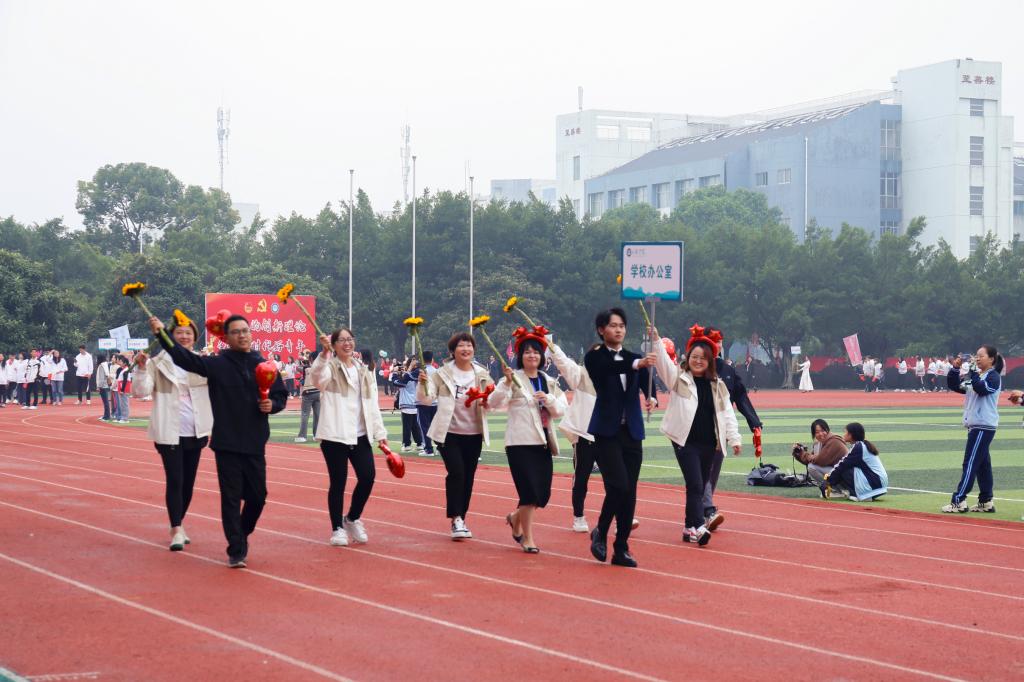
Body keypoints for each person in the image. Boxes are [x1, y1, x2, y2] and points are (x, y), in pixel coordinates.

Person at [150, 314, 288, 568]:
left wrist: (273, 404)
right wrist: (162, 334)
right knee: (231, 498)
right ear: (226, 337)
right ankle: (236, 549)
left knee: (258, 497)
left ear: (251, 333)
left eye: (245, 330)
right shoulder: (217, 365)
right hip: (226, 443)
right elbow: (184, 358)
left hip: (255, 442)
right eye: (235, 332)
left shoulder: (264, 365)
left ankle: (241, 533)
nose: (242, 335)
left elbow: (280, 394)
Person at [651, 324, 740, 546]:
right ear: (688, 357)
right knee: (695, 484)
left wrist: (734, 438)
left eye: (703, 358)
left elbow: (727, 413)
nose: (698, 361)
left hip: (709, 443)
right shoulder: (679, 378)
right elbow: (664, 366)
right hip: (685, 441)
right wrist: (656, 341)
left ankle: (688, 527)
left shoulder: (718, 385)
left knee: (699, 484)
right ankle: (699, 526)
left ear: (710, 361)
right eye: (694, 357)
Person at [133, 316, 212, 551]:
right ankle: (176, 528)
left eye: (189, 333)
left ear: (195, 337)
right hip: (169, 430)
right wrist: (141, 369)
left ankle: (178, 523)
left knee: (188, 484)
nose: (184, 336)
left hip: (196, 430)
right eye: (179, 332)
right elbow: (141, 392)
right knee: (175, 479)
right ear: (170, 335)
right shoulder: (157, 363)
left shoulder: (201, 362)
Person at [584, 308, 656, 568]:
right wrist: (638, 364)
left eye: (622, 326)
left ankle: (621, 547)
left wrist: (652, 397)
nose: (618, 330)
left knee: (629, 491)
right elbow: (611, 369)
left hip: (632, 431)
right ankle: (601, 531)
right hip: (606, 431)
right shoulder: (595, 357)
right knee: (619, 485)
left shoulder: (634, 357)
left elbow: (647, 380)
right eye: (613, 325)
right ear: (601, 329)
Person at [489, 327, 567, 553]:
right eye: (527, 352)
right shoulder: (513, 379)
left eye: (535, 352)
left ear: (542, 356)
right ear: (520, 356)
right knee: (529, 492)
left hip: (543, 442)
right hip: (520, 443)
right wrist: (505, 382)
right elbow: (494, 403)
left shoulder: (548, 381)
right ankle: (528, 538)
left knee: (542, 494)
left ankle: (516, 517)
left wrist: (548, 399)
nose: (532, 355)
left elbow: (561, 410)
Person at [310, 329, 388, 547]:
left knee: (368, 477)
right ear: (334, 345)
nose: (347, 343)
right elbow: (317, 379)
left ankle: (352, 518)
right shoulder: (330, 367)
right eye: (342, 340)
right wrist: (323, 354)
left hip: (360, 434)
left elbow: (372, 404)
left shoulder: (363, 370)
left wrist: (380, 433)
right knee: (338, 482)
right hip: (335, 435)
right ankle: (337, 528)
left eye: (350, 339)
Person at [417, 331, 494, 540]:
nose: (466, 349)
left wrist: (488, 402)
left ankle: (461, 518)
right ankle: (456, 517)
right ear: (453, 350)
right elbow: (426, 399)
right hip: (448, 432)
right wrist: (422, 384)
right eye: (461, 345)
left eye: (469, 345)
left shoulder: (482, 373)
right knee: (457, 472)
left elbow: (493, 399)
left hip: (474, 432)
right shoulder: (441, 373)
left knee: (468, 477)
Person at [701, 326, 762, 532]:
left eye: (719, 341)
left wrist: (754, 422)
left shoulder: (727, 370)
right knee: (703, 471)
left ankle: (704, 509)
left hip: (720, 431)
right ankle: (707, 510)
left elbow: (740, 396)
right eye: (712, 340)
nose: (716, 345)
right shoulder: (696, 366)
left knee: (713, 473)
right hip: (698, 430)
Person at [942, 346, 1003, 513]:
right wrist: (955, 369)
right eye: (977, 356)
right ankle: (986, 501)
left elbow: (982, 389)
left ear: (991, 359)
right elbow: (956, 386)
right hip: (977, 426)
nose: (977, 358)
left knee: (970, 463)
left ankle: (959, 500)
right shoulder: (979, 376)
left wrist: (974, 372)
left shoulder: (993, 376)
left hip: (983, 426)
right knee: (983, 465)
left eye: (981, 356)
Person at [547, 336, 599, 533]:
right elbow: (565, 363)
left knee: (617, 479)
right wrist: (552, 347)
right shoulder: (581, 375)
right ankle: (579, 516)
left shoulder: (614, 378)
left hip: (608, 436)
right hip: (584, 435)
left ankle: (622, 515)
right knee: (581, 478)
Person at [822, 423, 888, 501]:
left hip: (874, 484)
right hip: (879, 484)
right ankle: (860, 493)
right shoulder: (863, 444)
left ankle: (856, 494)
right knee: (846, 467)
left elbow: (842, 465)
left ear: (851, 435)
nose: (844, 434)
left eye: (846, 432)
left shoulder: (858, 447)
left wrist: (828, 481)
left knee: (844, 469)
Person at [792, 419, 849, 485]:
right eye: (817, 432)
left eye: (823, 430)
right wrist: (799, 453)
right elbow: (811, 460)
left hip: (846, 475)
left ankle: (834, 488)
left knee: (812, 467)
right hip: (837, 471)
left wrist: (803, 454)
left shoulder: (834, 441)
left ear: (827, 430)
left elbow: (820, 460)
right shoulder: (818, 443)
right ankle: (831, 488)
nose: (821, 434)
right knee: (812, 465)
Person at [392, 358, 425, 453]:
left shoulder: (409, 375)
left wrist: (395, 373)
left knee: (407, 426)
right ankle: (419, 444)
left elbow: (397, 383)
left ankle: (407, 445)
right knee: (415, 426)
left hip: (407, 403)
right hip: (415, 403)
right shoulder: (417, 373)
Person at [415, 350, 438, 456]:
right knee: (435, 426)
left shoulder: (421, 371)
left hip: (423, 403)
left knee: (425, 426)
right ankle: (440, 447)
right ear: (432, 359)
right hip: (435, 402)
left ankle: (428, 449)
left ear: (422, 360)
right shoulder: (436, 371)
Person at [294, 352, 321, 443]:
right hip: (318, 392)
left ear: (311, 359)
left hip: (308, 392)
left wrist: (301, 361)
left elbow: (297, 368)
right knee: (317, 415)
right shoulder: (323, 367)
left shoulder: (306, 368)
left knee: (305, 414)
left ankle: (302, 436)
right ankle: (317, 436)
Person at [96, 353, 114, 421]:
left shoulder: (101, 366)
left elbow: (101, 377)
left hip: (103, 386)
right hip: (105, 385)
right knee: (106, 402)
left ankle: (107, 416)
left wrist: (99, 386)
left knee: (105, 402)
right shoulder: (105, 365)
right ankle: (106, 415)